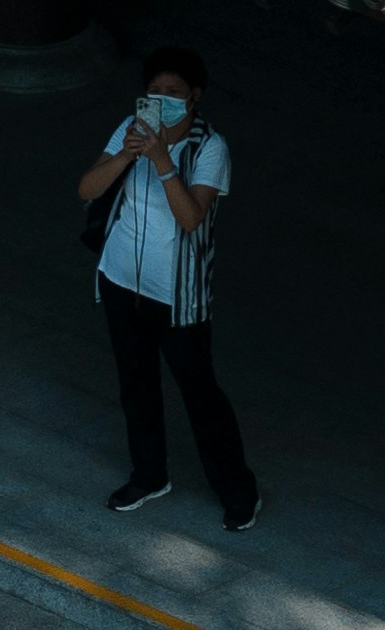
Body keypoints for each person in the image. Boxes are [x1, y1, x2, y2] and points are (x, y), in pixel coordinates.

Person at [76, 43, 257, 529]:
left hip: (177, 299)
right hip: (120, 281)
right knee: (135, 387)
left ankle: (238, 492)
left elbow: (191, 218)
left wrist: (161, 161)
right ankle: (149, 474)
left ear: (194, 97)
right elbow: (86, 189)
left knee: (201, 396)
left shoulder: (210, 148)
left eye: (172, 93)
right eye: (154, 92)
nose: (162, 100)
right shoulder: (130, 131)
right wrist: (127, 156)